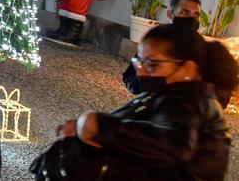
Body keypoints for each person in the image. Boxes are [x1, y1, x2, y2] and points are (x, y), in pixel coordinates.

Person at [34, 23, 230, 180]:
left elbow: (172, 144)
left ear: (187, 68)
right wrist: (83, 128)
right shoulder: (171, 92)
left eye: (151, 64)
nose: (141, 71)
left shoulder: (186, 102)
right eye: (139, 62)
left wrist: (96, 125)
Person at [121, 0, 238, 107]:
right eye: (185, 12)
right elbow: (131, 78)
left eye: (196, 15)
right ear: (170, 14)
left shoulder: (203, 49)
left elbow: (221, 96)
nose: (191, 18)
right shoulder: (157, 41)